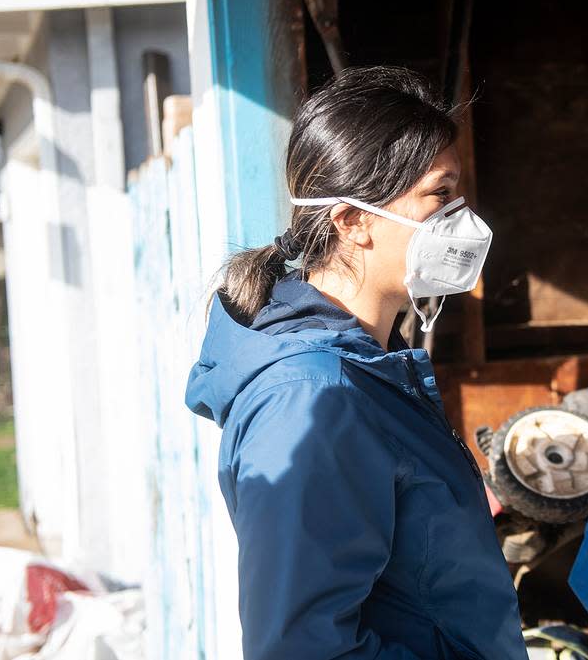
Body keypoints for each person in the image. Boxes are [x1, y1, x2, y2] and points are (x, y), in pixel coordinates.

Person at [185, 66, 526, 660]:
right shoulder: (314, 397)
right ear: (352, 221)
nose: (463, 221)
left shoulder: (369, 366)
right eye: (439, 195)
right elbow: (301, 649)